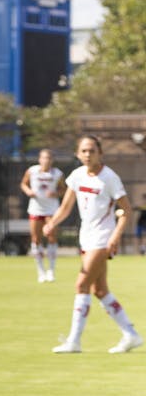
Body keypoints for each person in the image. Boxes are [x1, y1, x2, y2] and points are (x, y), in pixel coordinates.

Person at [45, 136, 142, 354]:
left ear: (100, 153)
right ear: (78, 154)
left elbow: (126, 210)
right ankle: (131, 334)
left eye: (92, 150)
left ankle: (74, 341)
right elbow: (66, 207)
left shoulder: (109, 177)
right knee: (100, 290)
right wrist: (52, 223)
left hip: (102, 239)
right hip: (86, 238)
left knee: (81, 285)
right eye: (84, 151)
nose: (88, 155)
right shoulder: (77, 176)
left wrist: (115, 237)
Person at [20, 149, 65, 282]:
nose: (46, 160)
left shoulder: (57, 174)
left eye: (49, 158)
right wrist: (28, 191)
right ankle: (40, 271)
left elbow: (64, 189)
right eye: (44, 158)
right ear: (39, 159)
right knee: (36, 239)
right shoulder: (32, 171)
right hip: (36, 209)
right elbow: (23, 183)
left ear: (52, 160)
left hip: (52, 210)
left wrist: (56, 194)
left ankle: (51, 270)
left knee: (51, 237)